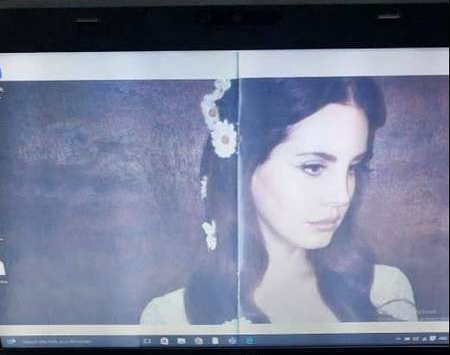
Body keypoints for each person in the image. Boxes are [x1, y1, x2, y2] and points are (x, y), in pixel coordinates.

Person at [140, 77, 418, 328]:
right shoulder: (172, 318)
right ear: (244, 166)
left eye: (353, 167)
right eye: (313, 167)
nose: (342, 196)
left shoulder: (384, 293)